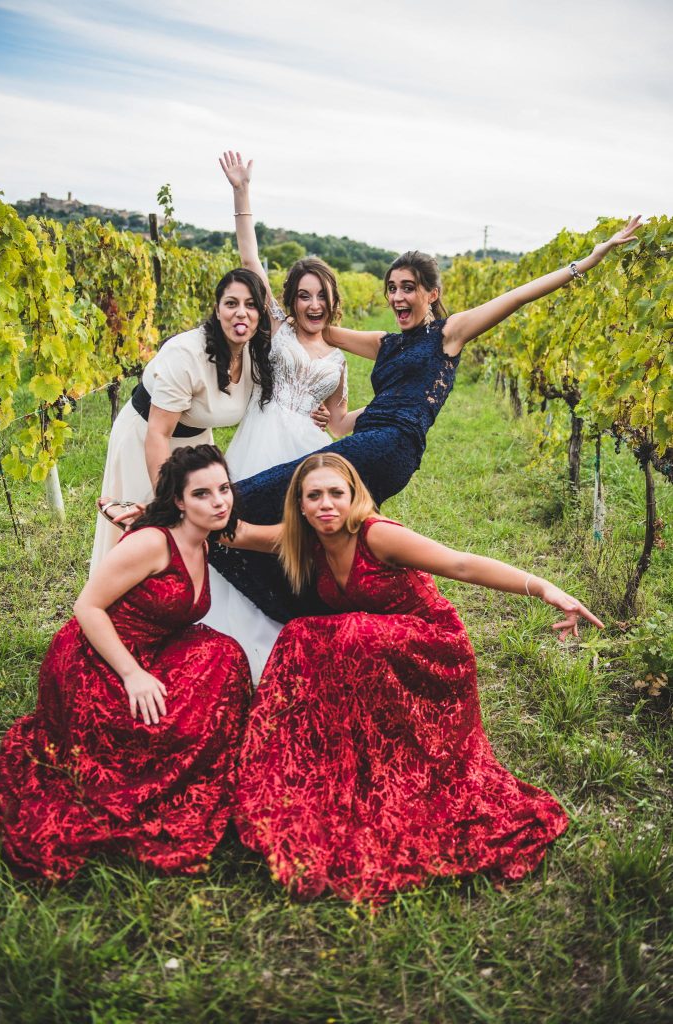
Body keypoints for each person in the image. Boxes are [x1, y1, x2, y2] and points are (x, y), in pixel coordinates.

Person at [207, 214, 642, 625]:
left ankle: (198, 523)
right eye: (392, 288)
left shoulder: (447, 336)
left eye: (409, 287)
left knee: (266, 492)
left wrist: (587, 261)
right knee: (318, 529)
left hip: (390, 446)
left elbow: (519, 295)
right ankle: (307, 612)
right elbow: (313, 329)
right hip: (377, 440)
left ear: (431, 293)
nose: (398, 297)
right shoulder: (386, 343)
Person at [230, 453, 604, 901]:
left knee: (337, 634)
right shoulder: (304, 540)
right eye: (315, 496)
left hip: (432, 648)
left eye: (336, 493)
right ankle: (326, 760)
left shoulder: (377, 535)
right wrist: (159, 518)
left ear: (354, 497)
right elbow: (239, 533)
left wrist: (544, 588)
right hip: (380, 654)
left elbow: (461, 564)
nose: (326, 504)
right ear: (300, 505)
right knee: (308, 636)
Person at [0, 446, 252, 881]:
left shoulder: (203, 536)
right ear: (180, 502)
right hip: (96, 658)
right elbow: (87, 607)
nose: (219, 501)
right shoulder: (152, 543)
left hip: (153, 646)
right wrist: (132, 674)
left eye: (224, 489)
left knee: (224, 655)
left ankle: (202, 762)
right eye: (203, 494)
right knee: (156, 730)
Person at [198, 153, 365, 679]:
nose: (312, 304)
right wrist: (242, 194)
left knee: (286, 540)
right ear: (291, 300)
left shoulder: (339, 361)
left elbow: (338, 422)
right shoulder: (280, 329)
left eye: (321, 296)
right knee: (234, 524)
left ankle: (277, 633)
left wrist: (387, 413)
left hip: (305, 453)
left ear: (332, 300)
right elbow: (250, 261)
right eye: (303, 295)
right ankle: (219, 627)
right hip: (262, 435)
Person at [90, 267, 275, 572]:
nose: (241, 313)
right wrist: (166, 501)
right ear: (217, 310)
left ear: (260, 313)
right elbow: (158, 433)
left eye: (250, 304)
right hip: (147, 436)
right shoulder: (185, 354)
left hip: (195, 443)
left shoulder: (255, 355)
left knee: (192, 534)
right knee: (148, 533)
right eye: (231, 303)